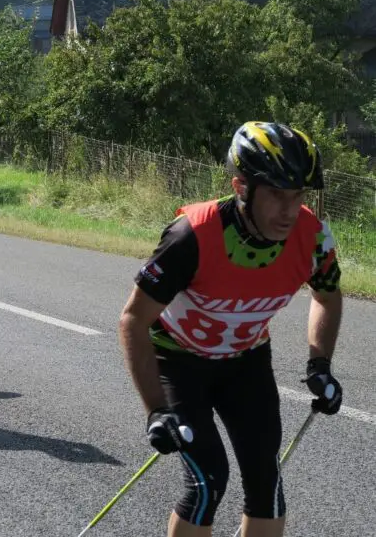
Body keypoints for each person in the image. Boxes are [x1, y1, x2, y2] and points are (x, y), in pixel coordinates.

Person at [117, 121, 343, 537]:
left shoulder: (312, 237)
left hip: (246, 364)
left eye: (298, 195)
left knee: (265, 479)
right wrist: (156, 410)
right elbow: (133, 319)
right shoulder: (193, 236)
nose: (289, 210)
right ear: (242, 188)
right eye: (276, 194)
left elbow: (327, 296)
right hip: (179, 363)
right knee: (208, 482)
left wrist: (320, 364)